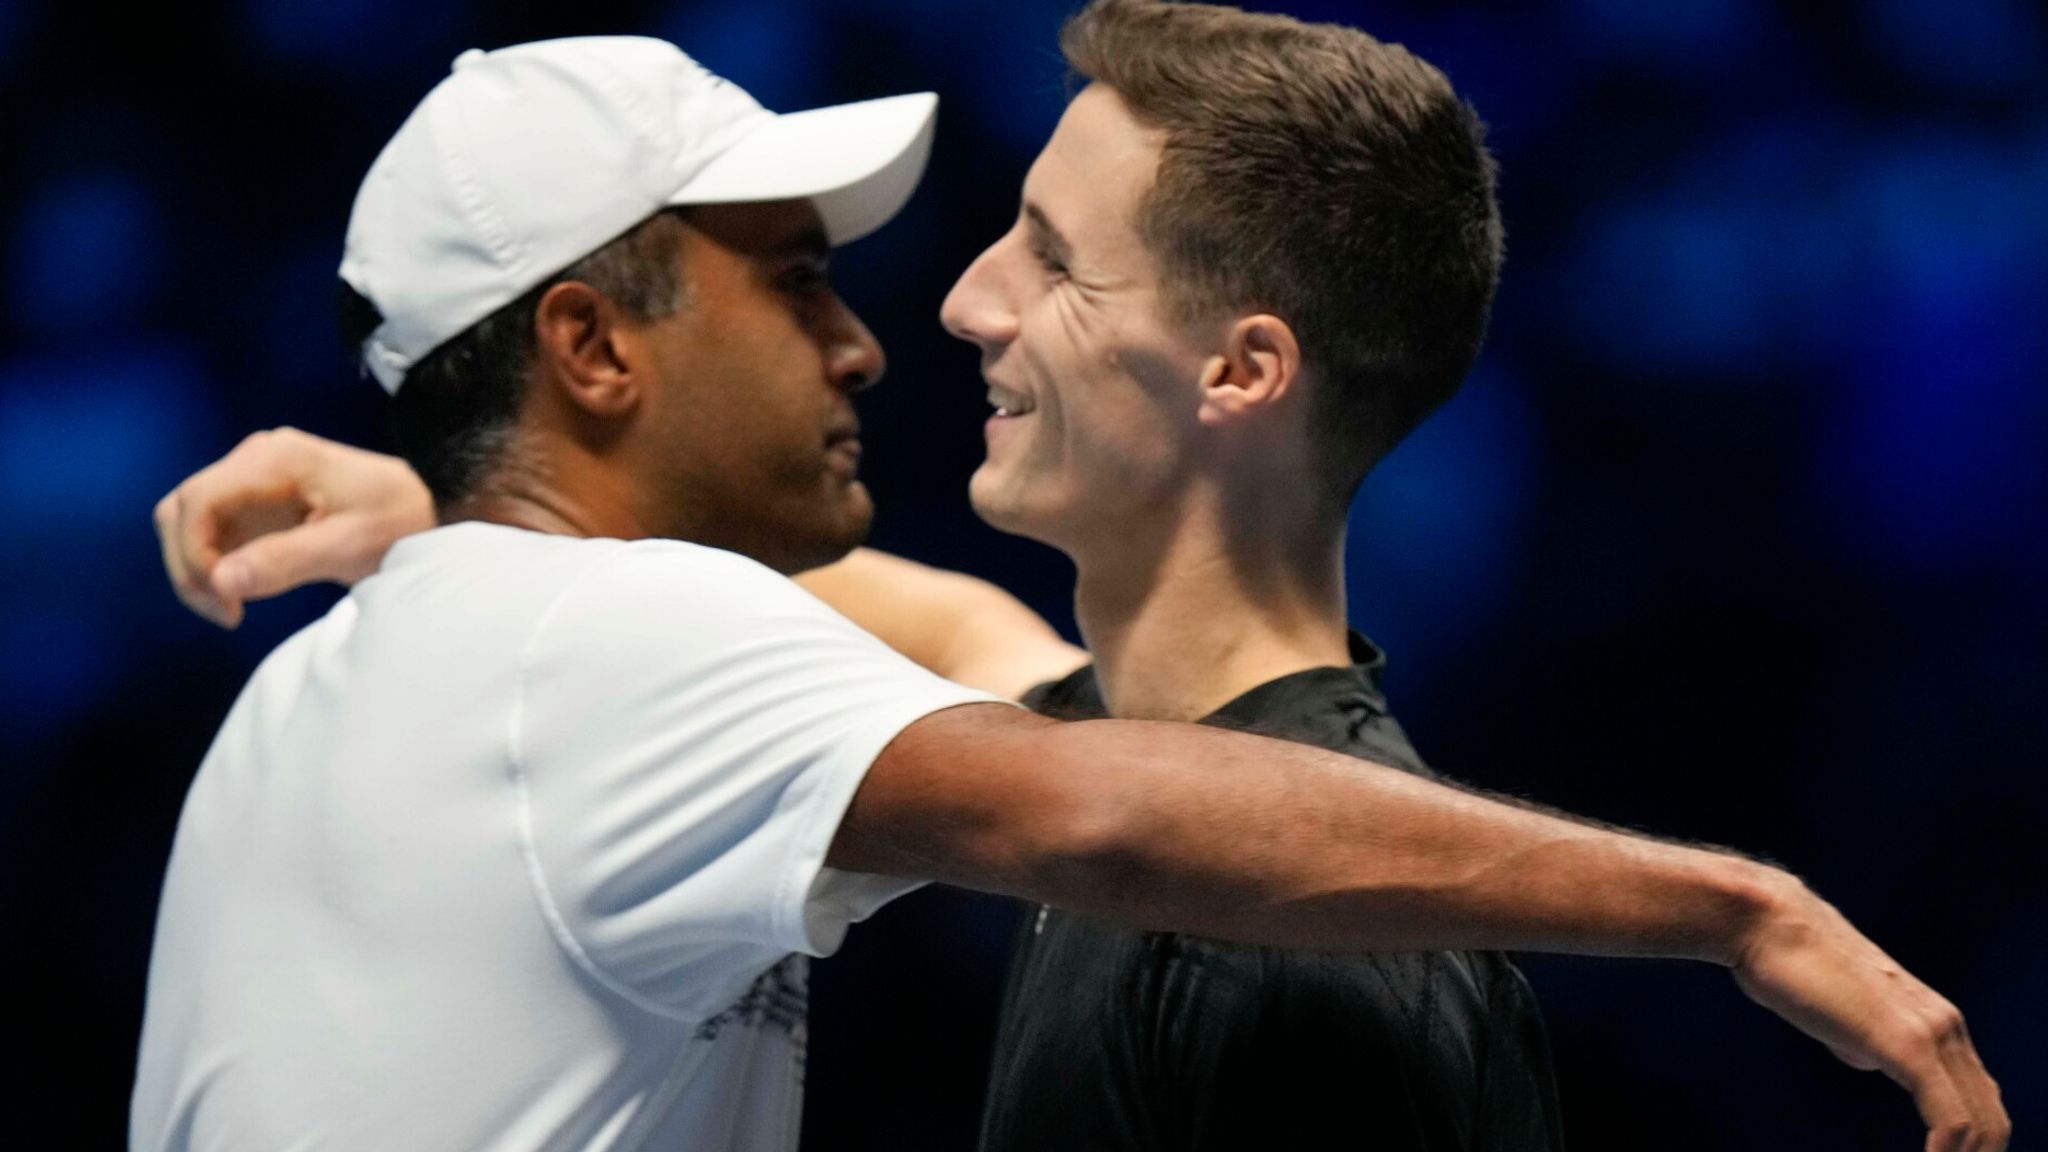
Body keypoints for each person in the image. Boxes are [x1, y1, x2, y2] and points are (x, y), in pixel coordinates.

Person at [145, 23, 2008, 1152]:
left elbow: (1024, 704)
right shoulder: (592, 642)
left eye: (1045, 256)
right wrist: (1740, 906)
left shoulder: (403, 666)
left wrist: (447, 514)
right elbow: (1098, 798)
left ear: (1241, 371)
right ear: (588, 349)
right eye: (791, 280)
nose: (910, 323)